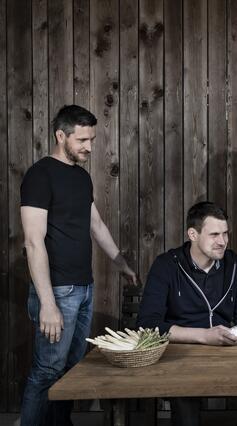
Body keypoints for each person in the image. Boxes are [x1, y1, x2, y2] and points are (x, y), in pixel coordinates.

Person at [20, 105, 137, 426]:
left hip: (83, 288)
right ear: (61, 136)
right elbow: (33, 242)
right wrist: (47, 304)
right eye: (82, 139)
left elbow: (95, 224)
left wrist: (120, 262)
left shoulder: (81, 176)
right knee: (46, 371)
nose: (89, 146)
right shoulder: (39, 175)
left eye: (92, 139)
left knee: (70, 372)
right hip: (56, 291)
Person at [137, 201, 237, 426]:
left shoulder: (234, 265)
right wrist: (204, 336)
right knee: (184, 392)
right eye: (214, 234)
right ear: (192, 234)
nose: (222, 241)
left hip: (228, 354)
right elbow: (147, 325)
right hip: (180, 355)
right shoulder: (167, 265)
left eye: (225, 234)